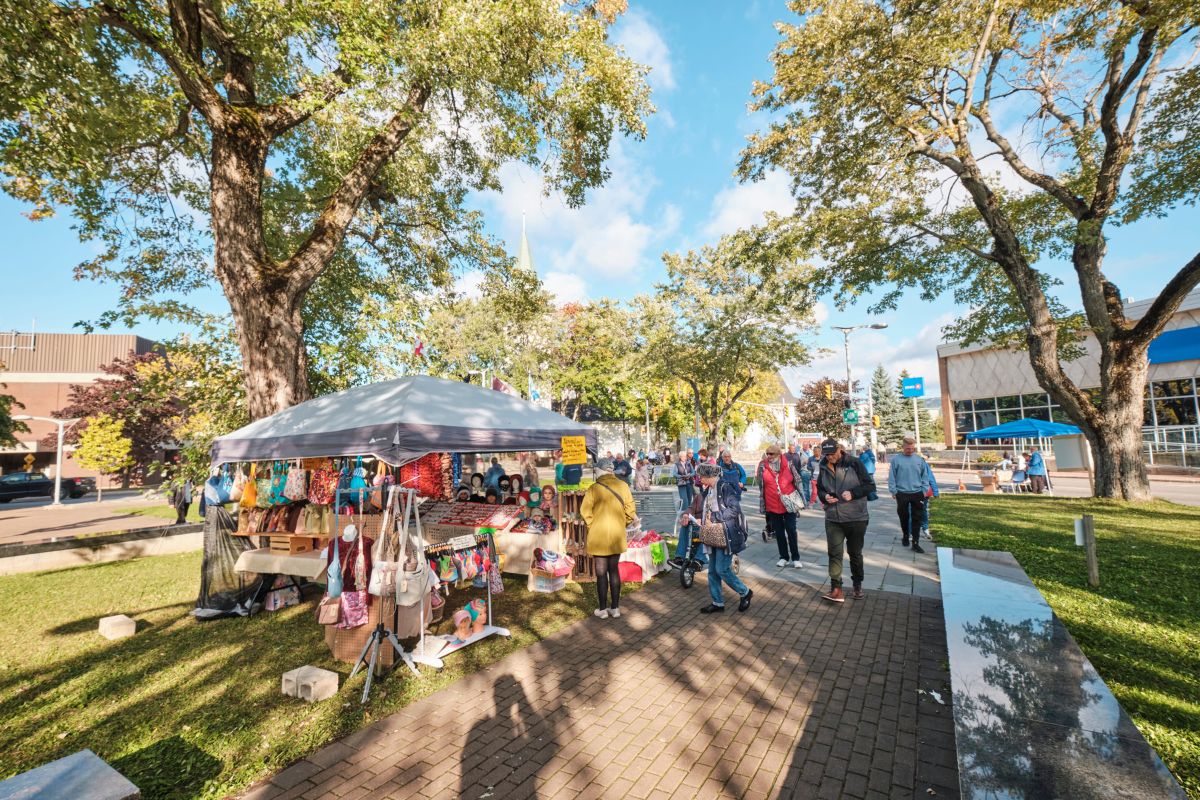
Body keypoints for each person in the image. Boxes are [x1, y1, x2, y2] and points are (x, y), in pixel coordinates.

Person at [683, 463, 752, 614]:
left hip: (726, 535)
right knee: (713, 571)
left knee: (722, 569)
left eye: (701, 477)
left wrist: (713, 517)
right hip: (713, 535)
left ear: (709, 476)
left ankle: (745, 592)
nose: (699, 479)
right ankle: (717, 602)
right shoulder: (708, 490)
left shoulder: (724, 487)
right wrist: (697, 518)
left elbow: (735, 510)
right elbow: (701, 508)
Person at [817, 438, 875, 603]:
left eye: (832, 454)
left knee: (855, 553)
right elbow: (820, 488)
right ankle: (836, 588)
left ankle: (857, 585)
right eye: (826, 455)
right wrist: (825, 497)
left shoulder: (854, 463)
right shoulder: (823, 466)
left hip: (856, 517)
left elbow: (870, 486)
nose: (829, 457)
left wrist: (853, 493)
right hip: (833, 518)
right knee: (834, 553)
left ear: (839, 450)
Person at [580, 458, 637, 619]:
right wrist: (622, 523)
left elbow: (585, 511)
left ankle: (603, 609)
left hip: (599, 535)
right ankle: (615, 608)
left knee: (600, 572)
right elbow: (631, 510)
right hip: (617, 534)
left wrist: (593, 525)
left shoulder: (594, 488)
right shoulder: (623, 486)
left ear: (600, 470)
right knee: (614, 570)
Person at [757, 444, 805, 568]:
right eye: (767, 454)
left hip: (788, 503)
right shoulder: (763, 466)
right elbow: (760, 484)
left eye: (771, 454)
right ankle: (783, 557)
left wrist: (802, 499)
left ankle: (795, 558)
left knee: (791, 529)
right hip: (772, 504)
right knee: (779, 532)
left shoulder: (788, 464)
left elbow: (798, 480)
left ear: (779, 454)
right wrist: (763, 504)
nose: (769, 456)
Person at [887, 435, 934, 553]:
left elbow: (925, 476)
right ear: (903, 447)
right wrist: (893, 491)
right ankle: (905, 536)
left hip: (917, 493)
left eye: (912, 448)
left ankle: (916, 543)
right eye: (908, 448)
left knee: (917, 518)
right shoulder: (896, 460)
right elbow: (892, 476)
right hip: (902, 493)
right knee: (904, 517)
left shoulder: (919, 460)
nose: (910, 450)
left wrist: (923, 490)